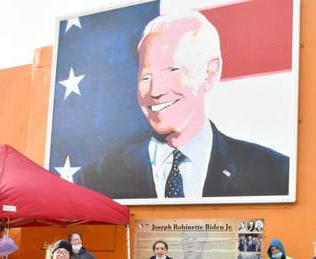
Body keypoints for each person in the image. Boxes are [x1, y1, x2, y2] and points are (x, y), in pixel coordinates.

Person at [77, 11, 289, 199]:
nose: (155, 90)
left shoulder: (275, 171)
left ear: (210, 72)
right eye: (146, 76)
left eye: (172, 70)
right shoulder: (94, 179)